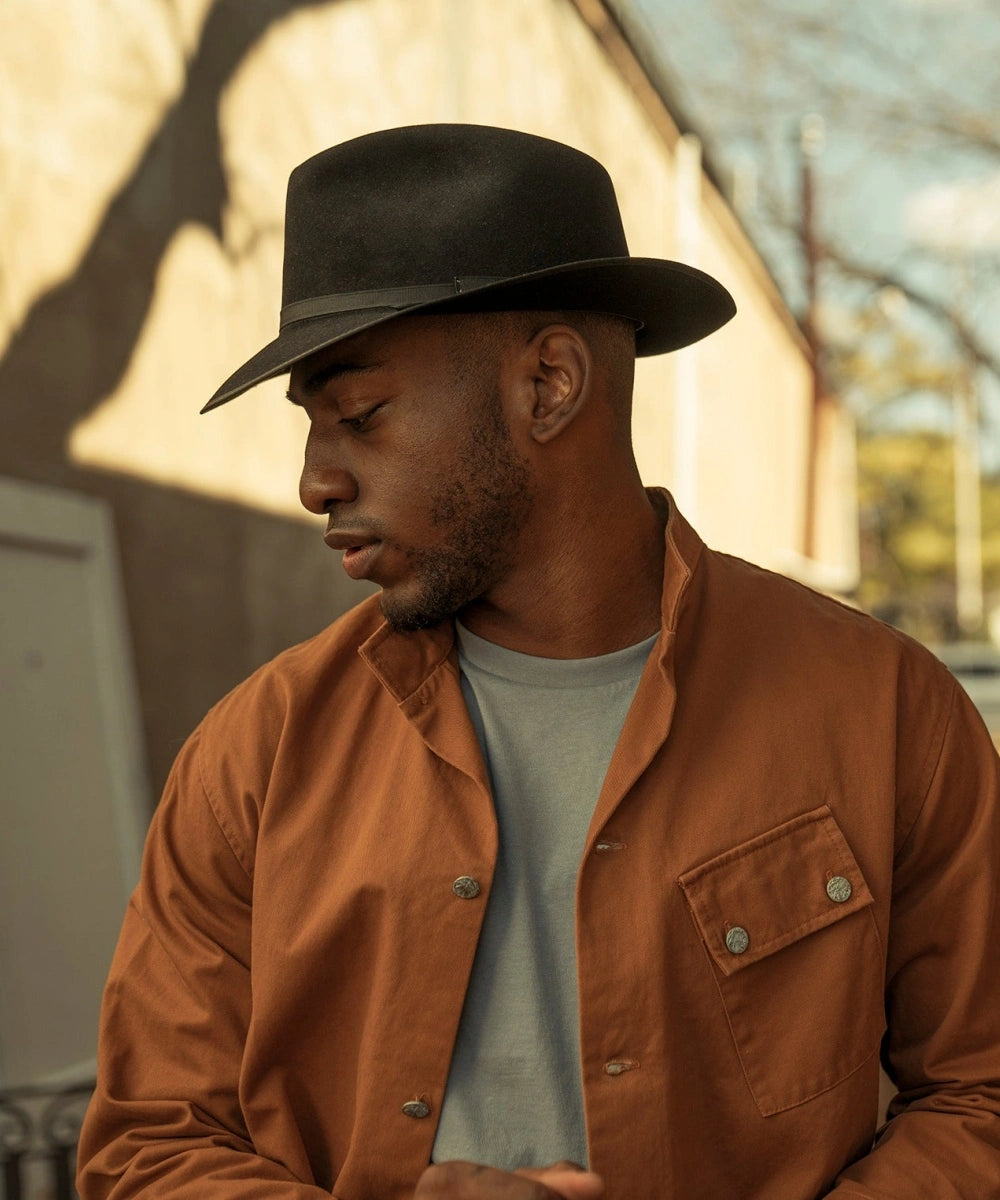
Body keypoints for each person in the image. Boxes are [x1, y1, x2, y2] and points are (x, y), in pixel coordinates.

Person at [77, 125, 1000, 1200]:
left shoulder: (884, 710)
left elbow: (980, 1093)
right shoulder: (255, 756)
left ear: (549, 384)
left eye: (360, 416)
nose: (314, 480)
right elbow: (148, 1143)